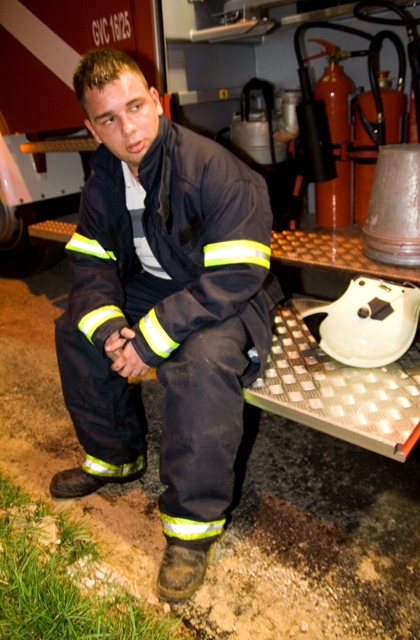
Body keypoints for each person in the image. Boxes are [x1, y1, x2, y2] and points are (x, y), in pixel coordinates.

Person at [50, 48, 283, 602]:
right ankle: (115, 458)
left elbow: (236, 274)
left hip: (227, 292)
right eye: (109, 119)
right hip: (161, 285)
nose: (128, 129)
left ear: (158, 101)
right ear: (92, 128)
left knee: (199, 363)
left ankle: (190, 530)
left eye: (135, 107)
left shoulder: (214, 169)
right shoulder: (105, 176)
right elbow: (91, 259)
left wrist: (151, 339)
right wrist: (110, 328)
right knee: (76, 331)